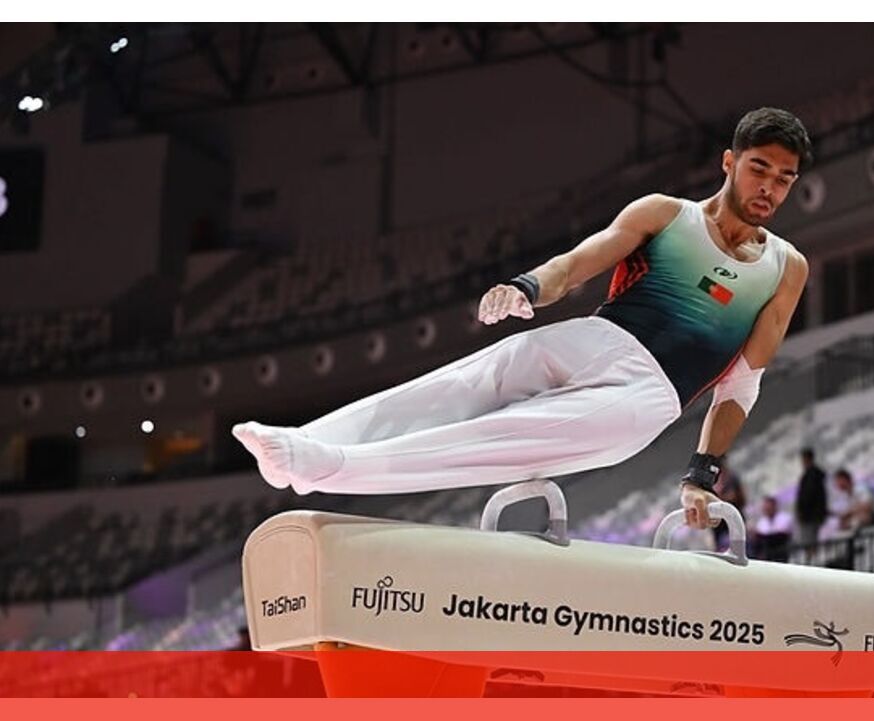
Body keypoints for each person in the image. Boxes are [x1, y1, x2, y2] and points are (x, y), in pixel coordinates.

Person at [232, 107, 812, 531]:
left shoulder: (785, 268)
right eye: (759, 169)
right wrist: (526, 287)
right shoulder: (665, 214)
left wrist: (701, 476)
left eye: (784, 179)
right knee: (473, 378)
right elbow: (578, 263)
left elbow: (742, 383)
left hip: (649, 396)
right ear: (730, 162)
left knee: (503, 436)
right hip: (599, 337)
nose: (768, 188)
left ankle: (331, 466)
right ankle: (306, 439)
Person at [832, 468, 874, 533]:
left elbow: (868, 505)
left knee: (857, 520)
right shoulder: (847, 495)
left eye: (838, 481)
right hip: (863, 521)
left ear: (844, 480)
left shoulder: (860, 488)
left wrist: (849, 512)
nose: (837, 484)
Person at [793, 447, 827, 547]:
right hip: (812, 516)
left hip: (810, 517)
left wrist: (802, 511)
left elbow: (808, 496)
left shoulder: (812, 475)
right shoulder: (812, 475)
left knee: (810, 542)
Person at [711, 466, 747, 552]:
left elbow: (738, 497)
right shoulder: (713, 481)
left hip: (734, 515)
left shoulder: (733, 480)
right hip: (720, 518)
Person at [749, 495, 793, 563]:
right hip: (767, 551)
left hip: (781, 549)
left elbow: (781, 534)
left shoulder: (785, 518)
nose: (767, 509)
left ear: (774, 506)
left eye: (769, 507)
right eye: (765, 508)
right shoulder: (762, 522)